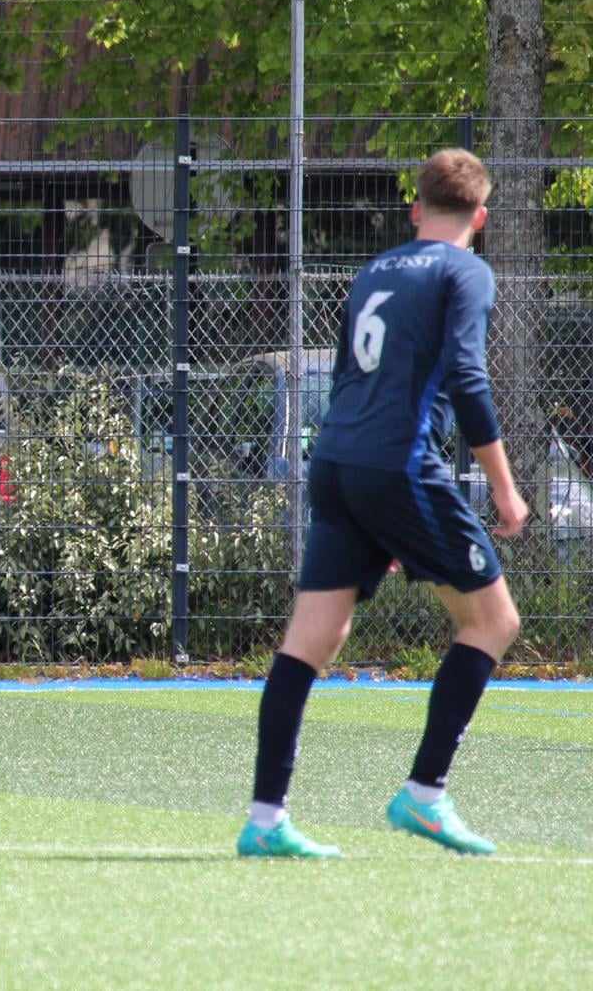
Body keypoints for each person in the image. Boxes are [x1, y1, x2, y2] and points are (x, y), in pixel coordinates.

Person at [238, 149, 526, 859]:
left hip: (337, 462)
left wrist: (379, 518)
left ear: (416, 209)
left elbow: (349, 379)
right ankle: (425, 794)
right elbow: (468, 379)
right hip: (398, 464)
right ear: (481, 218)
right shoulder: (466, 271)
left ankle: (265, 819)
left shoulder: (375, 271)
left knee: (312, 638)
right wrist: (504, 486)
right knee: (493, 620)